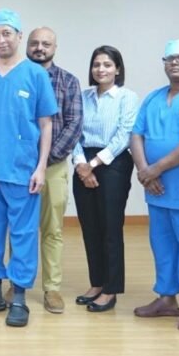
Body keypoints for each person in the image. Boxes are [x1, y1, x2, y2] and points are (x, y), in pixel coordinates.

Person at [0, 9, 57, 327]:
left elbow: (46, 124)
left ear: (19, 36)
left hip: (22, 170)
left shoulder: (36, 74)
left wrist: (41, 167)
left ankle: (18, 298)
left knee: (22, 235)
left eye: (7, 33)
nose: (1, 39)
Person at [71, 45, 138, 313]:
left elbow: (125, 135)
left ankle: (111, 290)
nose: (101, 69)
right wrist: (81, 164)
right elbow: (74, 130)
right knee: (90, 226)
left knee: (110, 228)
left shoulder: (127, 97)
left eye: (108, 65)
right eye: (97, 64)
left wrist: (93, 165)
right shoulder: (83, 97)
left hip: (113, 163)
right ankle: (97, 283)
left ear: (117, 69)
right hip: (83, 161)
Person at [25, 27, 83, 314]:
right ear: (26, 45)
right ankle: (18, 283)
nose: (40, 48)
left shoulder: (68, 81)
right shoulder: (17, 77)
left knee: (52, 230)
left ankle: (52, 289)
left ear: (54, 47)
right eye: (34, 43)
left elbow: (74, 124)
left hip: (53, 167)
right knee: (20, 230)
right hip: (19, 167)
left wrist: (45, 159)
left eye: (46, 44)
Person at [131, 39, 179, 330]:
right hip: (157, 190)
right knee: (162, 245)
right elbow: (136, 134)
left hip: (174, 183)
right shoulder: (153, 98)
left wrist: (155, 169)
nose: (175, 62)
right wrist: (143, 171)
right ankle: (166, 298)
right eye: (170, 58)